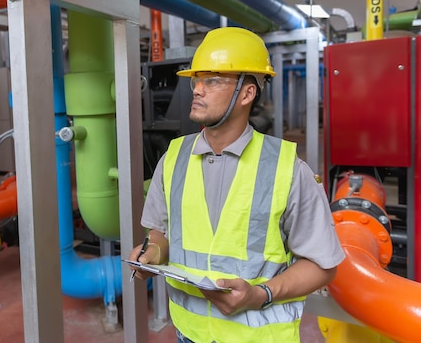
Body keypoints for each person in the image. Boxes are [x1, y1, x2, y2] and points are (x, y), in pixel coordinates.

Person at [128, 27, 344, 343]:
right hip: (190, 333)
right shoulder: (174, 159)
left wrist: (260, 294)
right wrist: (150, 255)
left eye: (213, 80)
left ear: (247, 93)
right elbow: (161, 234)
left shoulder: (287, 170)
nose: (197, 90)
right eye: (196, 80)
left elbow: (322, 266)